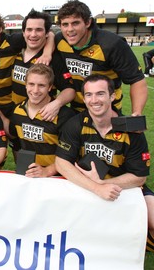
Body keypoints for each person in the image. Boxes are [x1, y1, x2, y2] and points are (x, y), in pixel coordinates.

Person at [55, 74, 154, 251]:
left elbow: (139, 178)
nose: (94, 100)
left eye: (100, 94)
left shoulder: (132, 130)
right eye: (89, 95)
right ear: (84, 98)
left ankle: (141, 242)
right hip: (85, 186)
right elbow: (61, 162)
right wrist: (96, 187)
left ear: (112, 96)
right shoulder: (76, 124)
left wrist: (104, 183)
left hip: (123, 188)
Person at [55, 0, 148, 115]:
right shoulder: (59, 40)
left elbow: (137, 80)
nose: (69, 29)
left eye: (75, 23)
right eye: (65, 24)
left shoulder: (111, 44)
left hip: (108, 111)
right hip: (77, 111)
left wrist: (136, 113)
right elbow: (46, 36)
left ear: (88, 22)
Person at [0, 64, 74, 177]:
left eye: (41, 85)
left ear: (50, 87)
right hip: (28, 176)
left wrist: (47, 171)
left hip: (56, 178)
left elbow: (71, 154)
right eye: (31, 84)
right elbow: (12, 133)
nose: (35, 90)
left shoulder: (64, 116)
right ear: (25, 85)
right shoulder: (18, 111)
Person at [12, 9, 75, 122]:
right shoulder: (15, 51)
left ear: (46, 33)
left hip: (42, 120)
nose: (33, 34)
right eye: (29, 29)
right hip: (17, 116)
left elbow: (70, 89)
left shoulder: (53, 59)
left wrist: (57, 104)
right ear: (23, 33)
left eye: (39, 30)